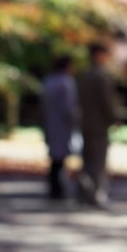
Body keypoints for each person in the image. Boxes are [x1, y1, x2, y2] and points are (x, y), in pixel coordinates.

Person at [77, 42, 118, 207]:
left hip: (86, 122)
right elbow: (106, 102)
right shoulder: (99, 76)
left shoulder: (85, 75)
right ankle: (96, 194)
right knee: (98, 160)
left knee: (87, 159)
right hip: (99, 125)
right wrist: (114, 118)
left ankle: (84, 192)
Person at [41, 55, 79, 200]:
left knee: (55, 158)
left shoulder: (49, 81)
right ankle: (58, 190)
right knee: (59, 159)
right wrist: (76, 121)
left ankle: (54, 188)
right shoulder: (66, 83)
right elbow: (68, 108)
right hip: (62, 125)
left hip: (50, 123)